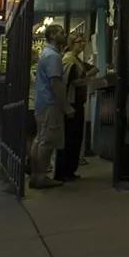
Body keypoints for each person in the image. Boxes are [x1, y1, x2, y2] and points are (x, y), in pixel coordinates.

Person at [29, 24, 70, 189]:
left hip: (41, 103)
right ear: (52, 35)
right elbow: (55, 82)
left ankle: (36, 174)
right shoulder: (53, 56)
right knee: (47, 141)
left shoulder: (46, 54)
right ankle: (41, 176)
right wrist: (65, 105)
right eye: (61, 32)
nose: (64, 34)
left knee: (39, 139)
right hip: (50, 103)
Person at [55, 32, 96, 182]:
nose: (82, 44)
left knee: (75, 137)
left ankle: (69, 169)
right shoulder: (69, 59)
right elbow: (71, 81)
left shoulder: (76, 60)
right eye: (79, 42)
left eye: (83, 41)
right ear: (72, 43)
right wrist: (86, 80)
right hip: (71, 102)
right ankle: (64, 170)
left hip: (76, 102)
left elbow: (91, 69)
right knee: (69, 138)